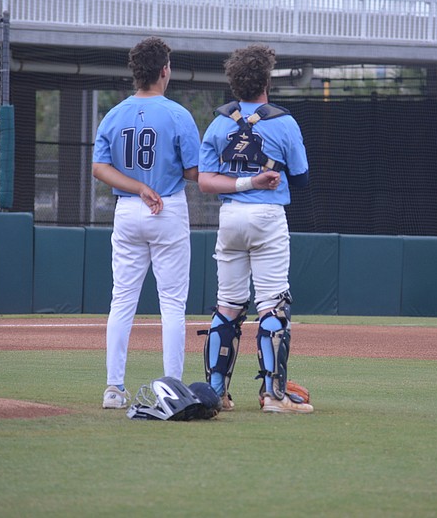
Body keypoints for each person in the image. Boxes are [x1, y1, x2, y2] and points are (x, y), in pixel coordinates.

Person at [198, 44, 313, 414]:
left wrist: (241, 180)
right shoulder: (284, 121)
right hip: (267, 218)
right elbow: (302, 178)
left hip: (230, 217)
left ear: (234, 82)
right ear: (266, 80)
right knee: (272, 306)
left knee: (228, 306)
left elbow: (204, 182)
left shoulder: (218, 123)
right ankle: (273, 396)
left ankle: (217, 394)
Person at [92, 37, 200, 409]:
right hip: (166, 207)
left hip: (128, 209)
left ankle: (113, 388)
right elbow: (192, 170)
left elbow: (99, 168)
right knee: (172, 304)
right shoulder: (177, 114)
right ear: (164, 70)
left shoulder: (114, 114)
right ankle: (172, 389)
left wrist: (137, 186)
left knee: (121, 301)